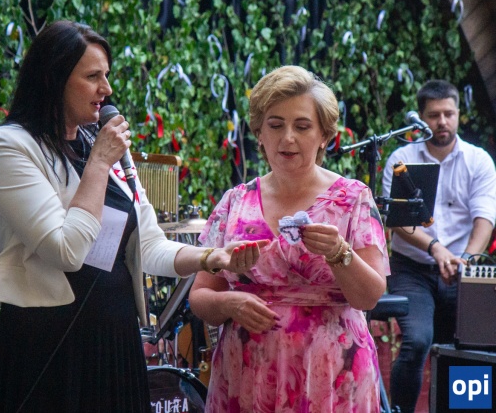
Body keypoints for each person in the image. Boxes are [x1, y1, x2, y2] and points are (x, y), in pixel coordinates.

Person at [0, 20, 268, 413]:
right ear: (53, 78)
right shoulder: (9, 147)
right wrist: (98, 162)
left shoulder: (99, 146)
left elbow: (149, 246)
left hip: (114, 339)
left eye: (107, 75)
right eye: (93, 76)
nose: (107, 89)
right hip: (47, 345)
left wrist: (210, 257)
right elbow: (66, 251)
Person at [188, 65, 389, 413]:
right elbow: (200, 295)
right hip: (247, 375)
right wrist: (230, 304)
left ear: (324, 135)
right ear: (259, 133)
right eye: (276, 125)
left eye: (302, 126)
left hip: (332, 376)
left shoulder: (353, 199)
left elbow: (369, 297)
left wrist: (339, 252)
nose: (288, 138)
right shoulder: (235, 202)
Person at [381, 80, 496, 413]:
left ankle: (463, 409)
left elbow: (485, 217)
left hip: (463, 268)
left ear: (458, 113)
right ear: (421, 118)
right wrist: (436, 248)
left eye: (448, 113)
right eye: (434, 115)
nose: (442, 121)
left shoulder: (479, 160)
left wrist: (466, 259)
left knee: (470, 346)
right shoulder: (401, 159)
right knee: (417, 341)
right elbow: (398, 220)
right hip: (412, 269)